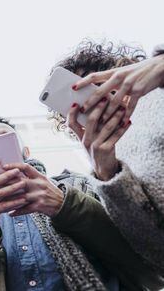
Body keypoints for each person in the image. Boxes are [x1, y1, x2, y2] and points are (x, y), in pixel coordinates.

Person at [0, 116, 163, 291]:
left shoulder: (77, 185)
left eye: (7, 140)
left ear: (26, 152)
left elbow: (140, 257)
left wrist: (64, 205)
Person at [51, 40, 164, 272]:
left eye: (89, 85)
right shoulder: (110, 163)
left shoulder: (156, 93)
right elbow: (156, 252)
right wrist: (108, 175)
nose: (89, 103)